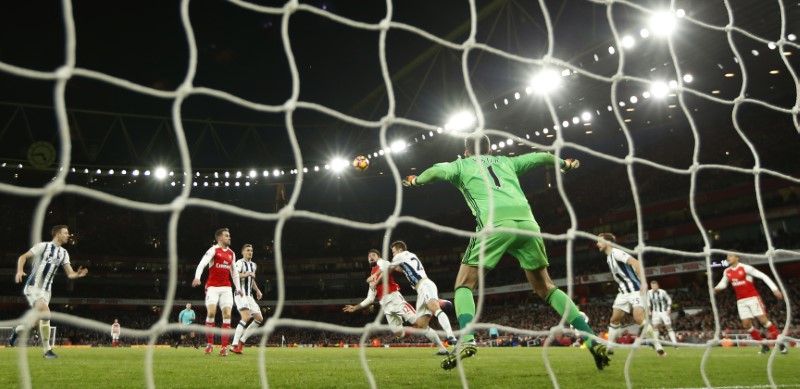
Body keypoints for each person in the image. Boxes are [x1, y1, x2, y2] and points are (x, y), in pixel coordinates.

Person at [402, 134, 608, 370]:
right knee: (547, 288)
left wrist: (416, 180)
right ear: (489, 151)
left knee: (464, 285)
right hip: (528, 224)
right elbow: (541, 156)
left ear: (467, 151)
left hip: (494, 226)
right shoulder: (507, 162)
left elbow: (436, 172)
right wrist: (565, 164)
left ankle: (467, 339)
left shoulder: (460, 165)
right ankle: (591, 338)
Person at [344, 249, 450, 355]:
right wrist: (355, 307)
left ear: (378, 257)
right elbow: (370, 299)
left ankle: (442, 348)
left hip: (396, 300)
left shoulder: (382, 263)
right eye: (369, 256)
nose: (371, 257)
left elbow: (386, 266)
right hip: (386, 307)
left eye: (374, 255)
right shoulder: (372, 276)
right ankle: (416, 326)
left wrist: (374, 277)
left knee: (421, 324)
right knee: (399, 334)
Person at [10, 225, 88, 359]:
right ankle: (47, 350)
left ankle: (17, 330)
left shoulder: (63, 253)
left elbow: (70, 274)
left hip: (47, 291)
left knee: (35, 325)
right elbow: (23, 257)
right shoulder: (43, 246)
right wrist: (19, 270)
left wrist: (77, 275)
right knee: (46, 314)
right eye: (66, 233)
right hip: (33, 287)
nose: (68, 235)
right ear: (58, 235)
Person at [370, 241, 458, 356]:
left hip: (425, 285)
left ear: (400, 250)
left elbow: (388, 270)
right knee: (422, 325)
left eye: (393, 251)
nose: (393, 254)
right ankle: (443, 349)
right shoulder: (409, 256)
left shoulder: (400, 256)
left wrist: (375, 282)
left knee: (435, 309)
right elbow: (401, 269)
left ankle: (451, 335)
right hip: (420, 290)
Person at [596, 233, 666, 356]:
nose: (597, 244)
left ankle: (658, 346)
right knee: (614, 320)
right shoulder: (609, 257)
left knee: (639, 319)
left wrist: (643, 282)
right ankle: (610, 348)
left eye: (599, 241)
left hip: (634, 290)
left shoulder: (617, 253)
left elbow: (636, 263)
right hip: (623, 293)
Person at [713, 252, 787, 354]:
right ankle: (763, 345)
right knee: (746, 325)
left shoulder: (745, 268)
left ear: (737, 258)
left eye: (730, 256)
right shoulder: (727, 271)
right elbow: (723, 284)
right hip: (741, 301)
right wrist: (715, 289)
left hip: (753, 298)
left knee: (763, 320)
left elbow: (763, 276)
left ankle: (780, 344)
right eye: (727, 256)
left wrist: (774, 289)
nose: (728, 258)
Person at [192, 228, 243, 357]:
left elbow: (234, 273)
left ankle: (224, 348)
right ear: (219, 238)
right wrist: (197, 277)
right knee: (211, 312)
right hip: (212, 287)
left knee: (227, 315)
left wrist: (238, 288)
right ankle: (210, 344)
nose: (229, 238)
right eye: (227, 236)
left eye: (229, 235)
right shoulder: (213, 250)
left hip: (226, 288)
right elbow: (202, 264)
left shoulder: (232, 253)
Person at [231, 244, 265, 354]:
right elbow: (234, 274)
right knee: (245, 317)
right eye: (248, 250)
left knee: (259, 318)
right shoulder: (239, 263)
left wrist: (258, 290)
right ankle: (234, 345)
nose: (250, 252)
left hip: (249, 295)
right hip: (240, 293)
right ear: (243, 252)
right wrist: (247, 274)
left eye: (251, 250)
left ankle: (242, 341)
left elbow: (251, 280)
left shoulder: (253, 265)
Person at [647, 280, 678, 346]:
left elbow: (669, 299)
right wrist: (649, 310)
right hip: (655, 312)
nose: (653, 287)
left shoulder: (662, 292)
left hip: (663, 311)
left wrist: (669, 308)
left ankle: (675, 343)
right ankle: (656, 344)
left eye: (654, 286)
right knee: (655, 327)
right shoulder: (649, 293)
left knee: (668, 327)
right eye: (652, 286)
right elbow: (648, 302)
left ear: (657, 286)